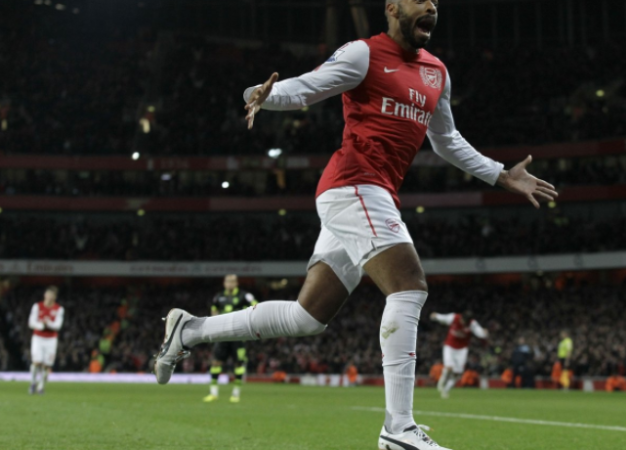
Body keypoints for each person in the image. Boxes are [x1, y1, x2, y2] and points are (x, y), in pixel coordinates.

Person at [153, 0, 556, 448]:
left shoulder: (436, 72)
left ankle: (190, 329)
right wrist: (263, 95)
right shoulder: (364, 53)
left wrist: (501, 174)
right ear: (392, 8)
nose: (431, 5)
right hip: (353, 185)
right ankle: (398, 429)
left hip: (370, 195)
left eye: (436, 1)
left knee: (307, 316)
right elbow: (308, 87)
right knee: (409, 286)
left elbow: (446, 140)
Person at [203, 275, 258, 403]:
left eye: (232, 281)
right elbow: (214, 309)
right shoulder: (219, 296)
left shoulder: (245, 296)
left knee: (238, 364)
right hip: (223, 334)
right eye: (228, 281)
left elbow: (256, 307)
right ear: (224, 283)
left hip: (238, 335)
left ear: (237, 283)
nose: (230, 284)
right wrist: (215, 324)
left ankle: (236, 394)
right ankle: (213, 393)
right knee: (216, 362)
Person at [430, 311, 488, 398]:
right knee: (449, 367)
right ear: (461, 318)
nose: (464, 323)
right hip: (449, 347)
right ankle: (441, 383)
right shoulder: (454, 318)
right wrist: (436, 316)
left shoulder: (472, 324)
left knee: (458, 373)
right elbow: (444, 318)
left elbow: (479, 332)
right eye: (463, 320)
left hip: (462, 350)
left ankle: (446, 390)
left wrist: (484, 333)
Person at [28, 286, 64, 395]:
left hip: (51, 340)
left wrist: (48, 324)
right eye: (48, 294)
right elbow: (31, 322)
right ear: (44, 295)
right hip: (38, 338)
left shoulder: (59, 309)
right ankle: (33, 383)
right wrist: (41, 326)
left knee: (46, 365)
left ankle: (41, 387)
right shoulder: (37, 306)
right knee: (36, 362)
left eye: (52, 295)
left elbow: (58, 325)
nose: (49, 297)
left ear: (55, 297)